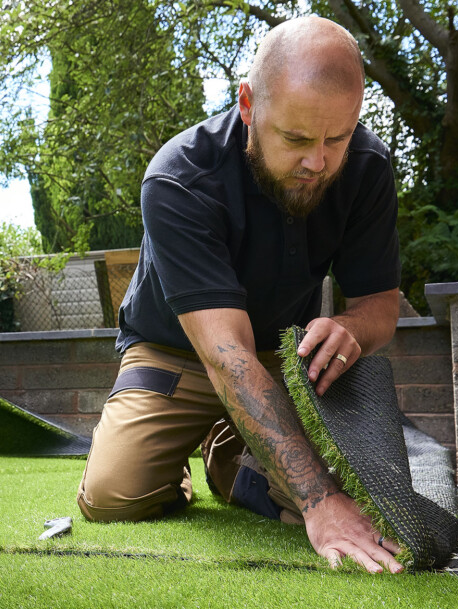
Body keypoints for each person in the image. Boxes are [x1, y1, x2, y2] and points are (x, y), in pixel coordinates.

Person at [77, 16, 406, 573]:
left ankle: (229, 457)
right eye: (297, 138)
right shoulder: (179, 178)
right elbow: (225, 355)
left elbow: (381, 305)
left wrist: (351, 329)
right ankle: (173, 456)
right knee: (115, 498)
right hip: (174, 353)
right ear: (249, 104)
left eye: (337, 137)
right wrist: (318, 501)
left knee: (363, 498)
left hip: (280, 353)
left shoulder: (367, 169)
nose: (318, 162)